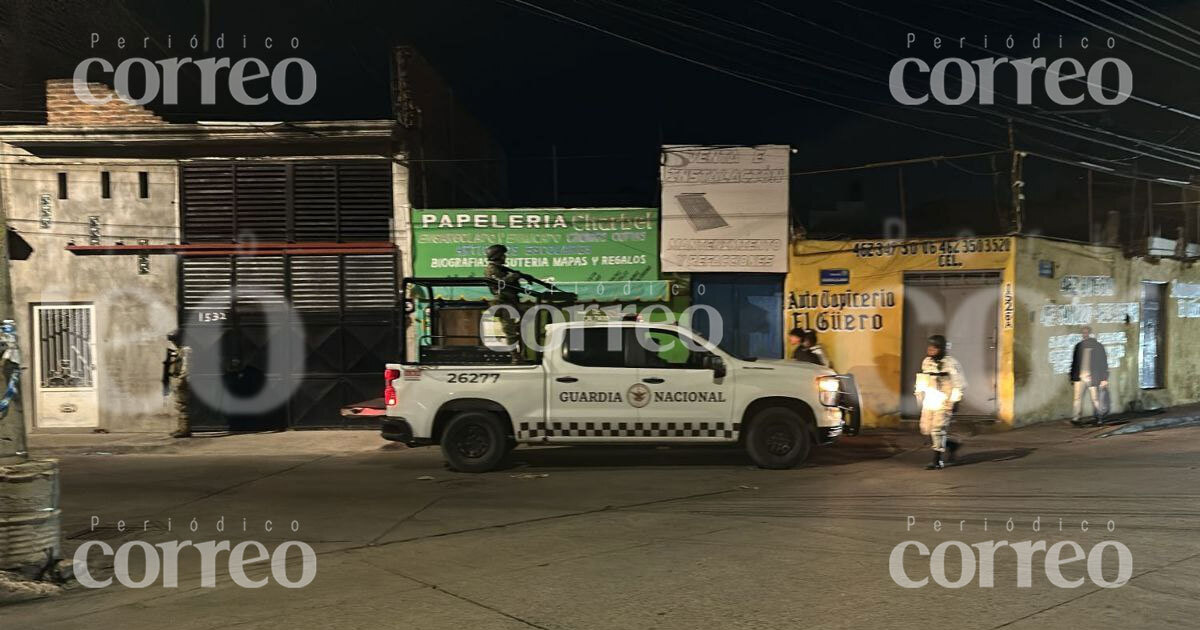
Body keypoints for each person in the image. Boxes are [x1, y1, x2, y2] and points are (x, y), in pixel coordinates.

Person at [914, 334, 965, 470]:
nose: (930, 350)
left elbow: (958, 384)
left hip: (944, 400)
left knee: (938, 429)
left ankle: (937, 460)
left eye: (934, 348)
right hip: (930, 399)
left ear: (941, 348)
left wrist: (955, 401)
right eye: (929, 347)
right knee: (926, 429)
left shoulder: (951, 363)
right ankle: (952, 444)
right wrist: (919, 396)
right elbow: (923, 379)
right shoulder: (927, 362)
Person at [484, 244, 525, 361]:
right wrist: (512, 277)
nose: (505, 257)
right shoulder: (491, 269)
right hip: (503, 302)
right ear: (497, 256)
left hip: (511, 301)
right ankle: (515, 356)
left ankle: (520, 354)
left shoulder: (502, 269)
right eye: (503, 255)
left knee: (520, 328)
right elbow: (498, 284)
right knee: (510, 330)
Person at [1070, 326, 1110, 426]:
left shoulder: (1097, 346)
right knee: (1077, 398)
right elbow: (1074, 362)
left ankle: (1099, 417)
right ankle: (1076, 417)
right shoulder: (1079, 346)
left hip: (1092, 377)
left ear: (1090, 333)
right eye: (1083, 333)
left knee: (1095, 398)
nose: (1085, 334)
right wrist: (1072, 376)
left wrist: (1104, 378)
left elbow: (1103, 363)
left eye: (1086, 332)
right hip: (1079, 377)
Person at [164, 329, 192, 438]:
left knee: (183, 406)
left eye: (174, 340)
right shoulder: (181, 350)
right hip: (179, 380)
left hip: (183, 381)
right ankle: (182, 428)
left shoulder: (186, 350)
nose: (173, 343)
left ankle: (184, 430)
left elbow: (186, 367)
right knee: (180, 406)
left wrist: (181, 380)